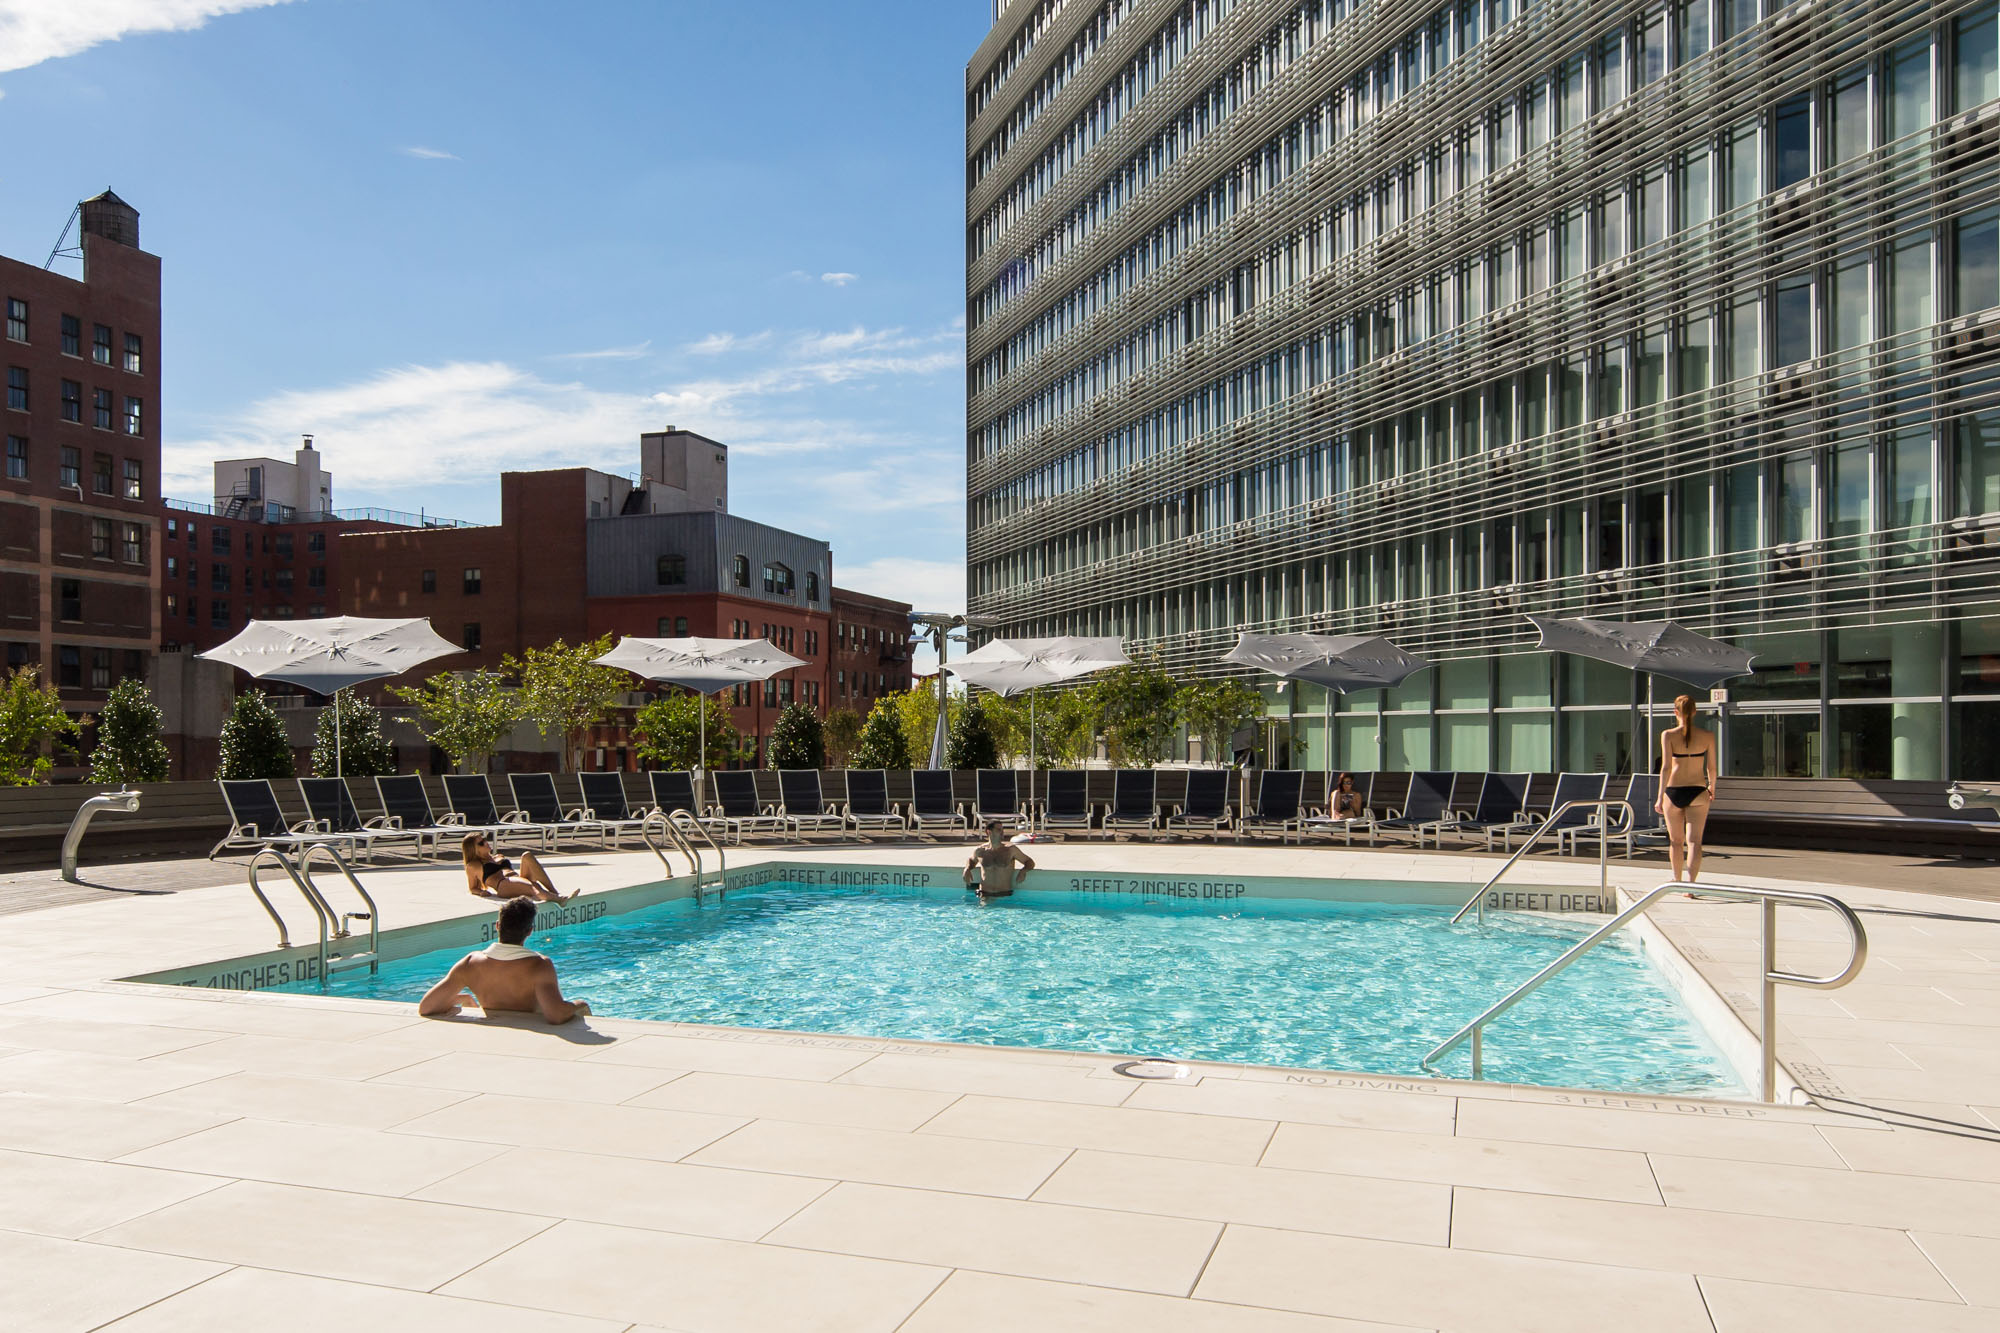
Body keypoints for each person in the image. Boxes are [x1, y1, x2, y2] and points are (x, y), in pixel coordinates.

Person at [418, 897, 592, 1023]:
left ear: (497, 926)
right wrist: (579, 1004)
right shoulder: (539, 965)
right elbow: (556, 1015)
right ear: (530, 931)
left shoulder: (470, 963)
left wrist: (462, 998)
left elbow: (427, 1007)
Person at [1655, 694, 1718, 883]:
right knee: (1694, 842)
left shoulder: (1668, 735)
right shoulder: (1708, 736)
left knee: (1676, 842)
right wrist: (1712, 786)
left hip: (1674, 791)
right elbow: (1712, 768)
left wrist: (1659, 796)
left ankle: (1677, 880)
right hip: (1698, 791)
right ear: (1695, 711)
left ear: (1676, 712)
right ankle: (1691, 885)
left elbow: (1666, 768)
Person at [461, 831, 574, 902]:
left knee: (527, 856)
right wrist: (481, 892)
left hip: (516, 879)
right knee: (533, 887)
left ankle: (554, 892)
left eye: (485, 840)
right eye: (481, 843)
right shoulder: (474, 865)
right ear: (474, 850)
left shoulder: (497, 856)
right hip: (503, 885)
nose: (486, 843)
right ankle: (559, 899)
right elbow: (472, 888)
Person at [963, 821, 1035, 898]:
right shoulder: (980, 850)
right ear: (989, 832)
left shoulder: (1010, 850)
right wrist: (967, 869)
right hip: (984, 894)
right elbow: (971, 860)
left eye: (1002, 830)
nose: (1002, 832)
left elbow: (1029, 862)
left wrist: (1023, 871)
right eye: (998, 830)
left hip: (1004, 895)